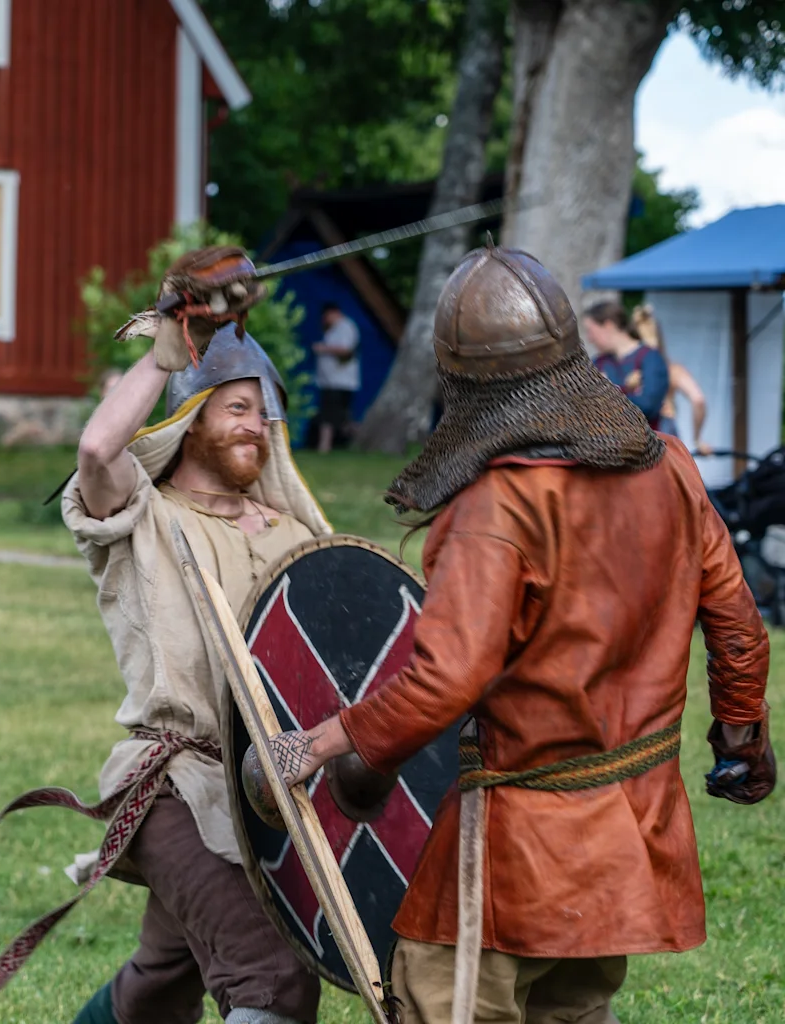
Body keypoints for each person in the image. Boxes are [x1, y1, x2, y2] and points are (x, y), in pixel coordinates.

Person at [258, 242, 775, 1024]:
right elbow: (736, 621)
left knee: (440, 998)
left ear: (463, 381)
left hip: (524, 843)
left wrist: (321, 743)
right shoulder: (670, 465)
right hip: (635, 822)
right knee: (572, 1012)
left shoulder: (497, 507)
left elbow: (447, 679)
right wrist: (742, 737)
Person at [63, 312, 331, 1024]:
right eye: (236, 408)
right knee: (271, 979)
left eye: (264, 414)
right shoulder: (142, 517)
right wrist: (165, 355)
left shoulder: (298, 536)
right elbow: (96, 449)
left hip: (275, 791)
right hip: (176, 784)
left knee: (161, 980)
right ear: (190, 418)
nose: (256, 427)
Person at [631, 303, 712, 454]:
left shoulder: (625, 373)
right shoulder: (672, 370)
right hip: (665, 431)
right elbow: (698, 399)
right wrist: (697, 439)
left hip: (633, 436)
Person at [584, 300, 670, 430]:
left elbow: (648, 407)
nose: (589, 338)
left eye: (591, 331)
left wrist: (607, 392)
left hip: (645, 439)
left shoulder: (650, 358)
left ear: (608, 325)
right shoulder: (599, 363)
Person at [312, 302, 360, 453]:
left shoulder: (345, 327)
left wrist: (323, 349)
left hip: (340, 382)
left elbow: (346, 350)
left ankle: (324, 446)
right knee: (339, 418)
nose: (324, 321)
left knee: (330, 417)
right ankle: (359, 439)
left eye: (326, 317)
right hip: (330, 382)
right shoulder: (334, 329)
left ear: (333, 313)